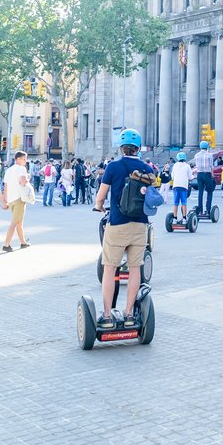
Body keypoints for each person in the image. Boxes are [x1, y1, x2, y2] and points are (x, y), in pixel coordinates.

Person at [93, 128, 152, 329]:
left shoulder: (113, 167)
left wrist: (99, 206)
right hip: (140, 224)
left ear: (121, 147)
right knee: (135, 268)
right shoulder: (147, 168)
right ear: (138, 148)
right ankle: (128, 314)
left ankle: (108, 316)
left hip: (117, 223)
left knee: (110, 267)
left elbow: (101, 196)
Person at [0, 150, 34, 252]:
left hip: (10, 199)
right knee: (14, 223)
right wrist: (28, 177)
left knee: (19, 222)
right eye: (24, 159)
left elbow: (5, 187)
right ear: (18, 159)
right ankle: (6, 245)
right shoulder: (21, 169)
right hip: (19, 199)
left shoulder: (8, 170)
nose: (25, 161)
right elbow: (23, 182)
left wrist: (5, 200)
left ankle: (23, 242)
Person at [192, 140, 216, 216]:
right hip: (207, 174)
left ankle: (200, 210)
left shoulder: (196, 155)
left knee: (200, 192)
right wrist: (212, 175)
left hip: (199, 174)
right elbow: (211, 167)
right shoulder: (210, 155)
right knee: (209, 191)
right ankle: (208, 210)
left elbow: (196, 165)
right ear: (207, 147)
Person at [170, 151, 192, 221]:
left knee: (176, 203)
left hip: (176, 186)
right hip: (184, 186)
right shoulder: (187, 166)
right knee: (184, 203)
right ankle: (184, 218)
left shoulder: (175, 165)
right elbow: (190, 177)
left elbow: (172, 176)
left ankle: (175, 217)